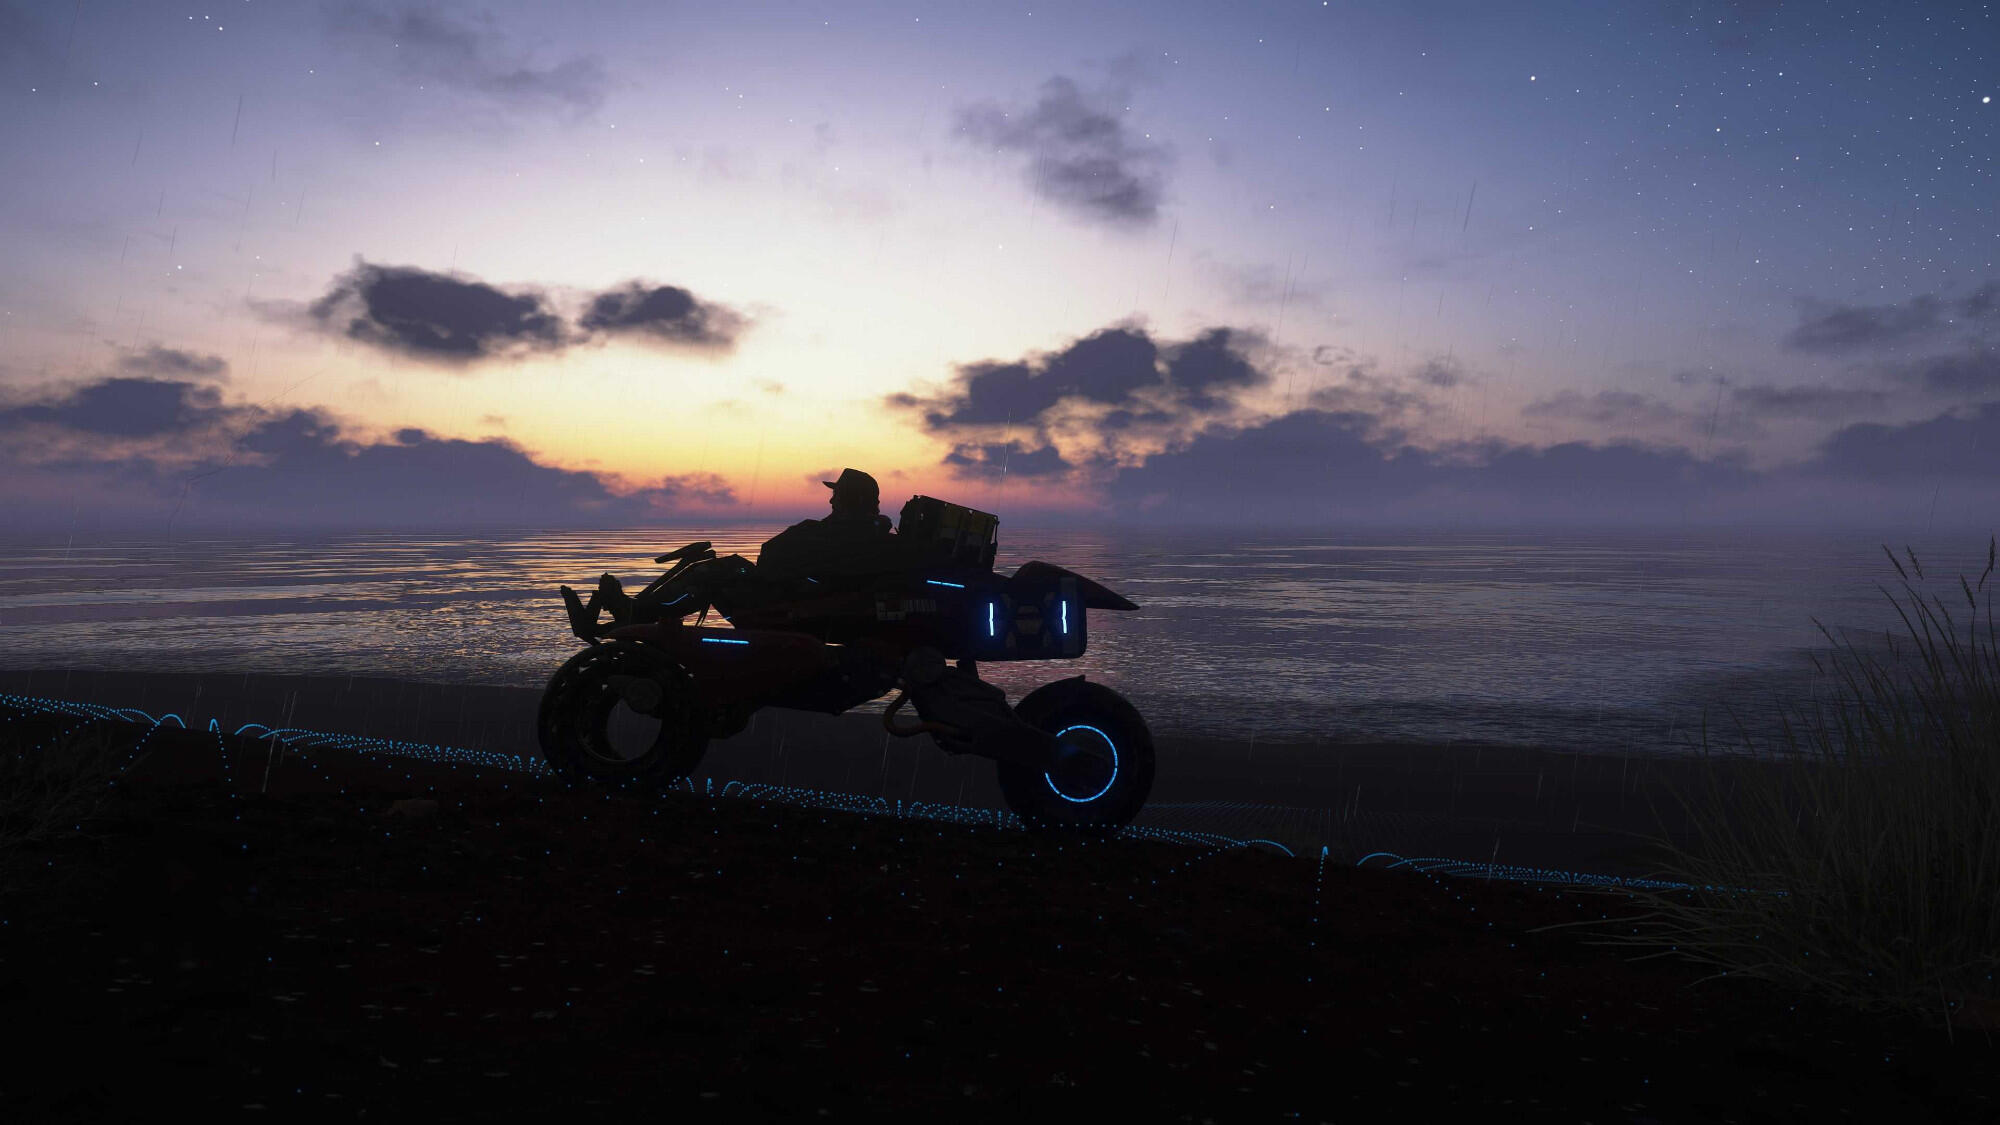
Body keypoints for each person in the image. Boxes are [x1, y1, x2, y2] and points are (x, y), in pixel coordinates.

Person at [755, 468, 903, 581]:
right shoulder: (889, 543)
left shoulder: (812, 533)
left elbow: (768, 552)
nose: (831, 501)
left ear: (854, 500)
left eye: (836, 495)